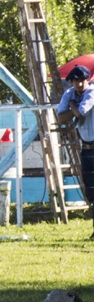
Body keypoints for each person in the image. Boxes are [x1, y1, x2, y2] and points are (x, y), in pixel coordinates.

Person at [57, 65, 94, 234]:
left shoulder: (91, 92)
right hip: (86, 147)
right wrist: (72, 107)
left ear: (87, 80)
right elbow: (60, 118)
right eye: (76, 81)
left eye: (82, 80)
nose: (80, 84)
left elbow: (80, 112)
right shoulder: (69, 94)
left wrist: (72, 106)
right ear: (72, 81)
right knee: (90, 189)